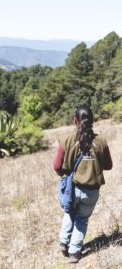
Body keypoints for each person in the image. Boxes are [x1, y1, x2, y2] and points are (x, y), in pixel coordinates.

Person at [53, 105, 113, 263]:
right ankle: (74, 252)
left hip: (72, 188)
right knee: (82, 219)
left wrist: (64, 175)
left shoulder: (66, 140)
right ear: (92, 121)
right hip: (91, 191)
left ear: (74, 120)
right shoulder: (100, 141)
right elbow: (108, 165)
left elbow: (57, 166)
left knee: (69, 212)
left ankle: (63, 243)